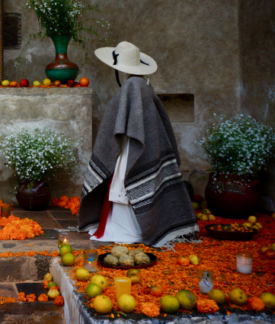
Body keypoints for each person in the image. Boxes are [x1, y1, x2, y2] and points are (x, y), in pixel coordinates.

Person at [78, 42, 198, 246]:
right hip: (135, 146)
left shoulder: (131, 86)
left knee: (126, 187)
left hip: (130, 148)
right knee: (130, 189)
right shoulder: (142, 85)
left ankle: (127, 230)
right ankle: (137, 227)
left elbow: (121, 124)